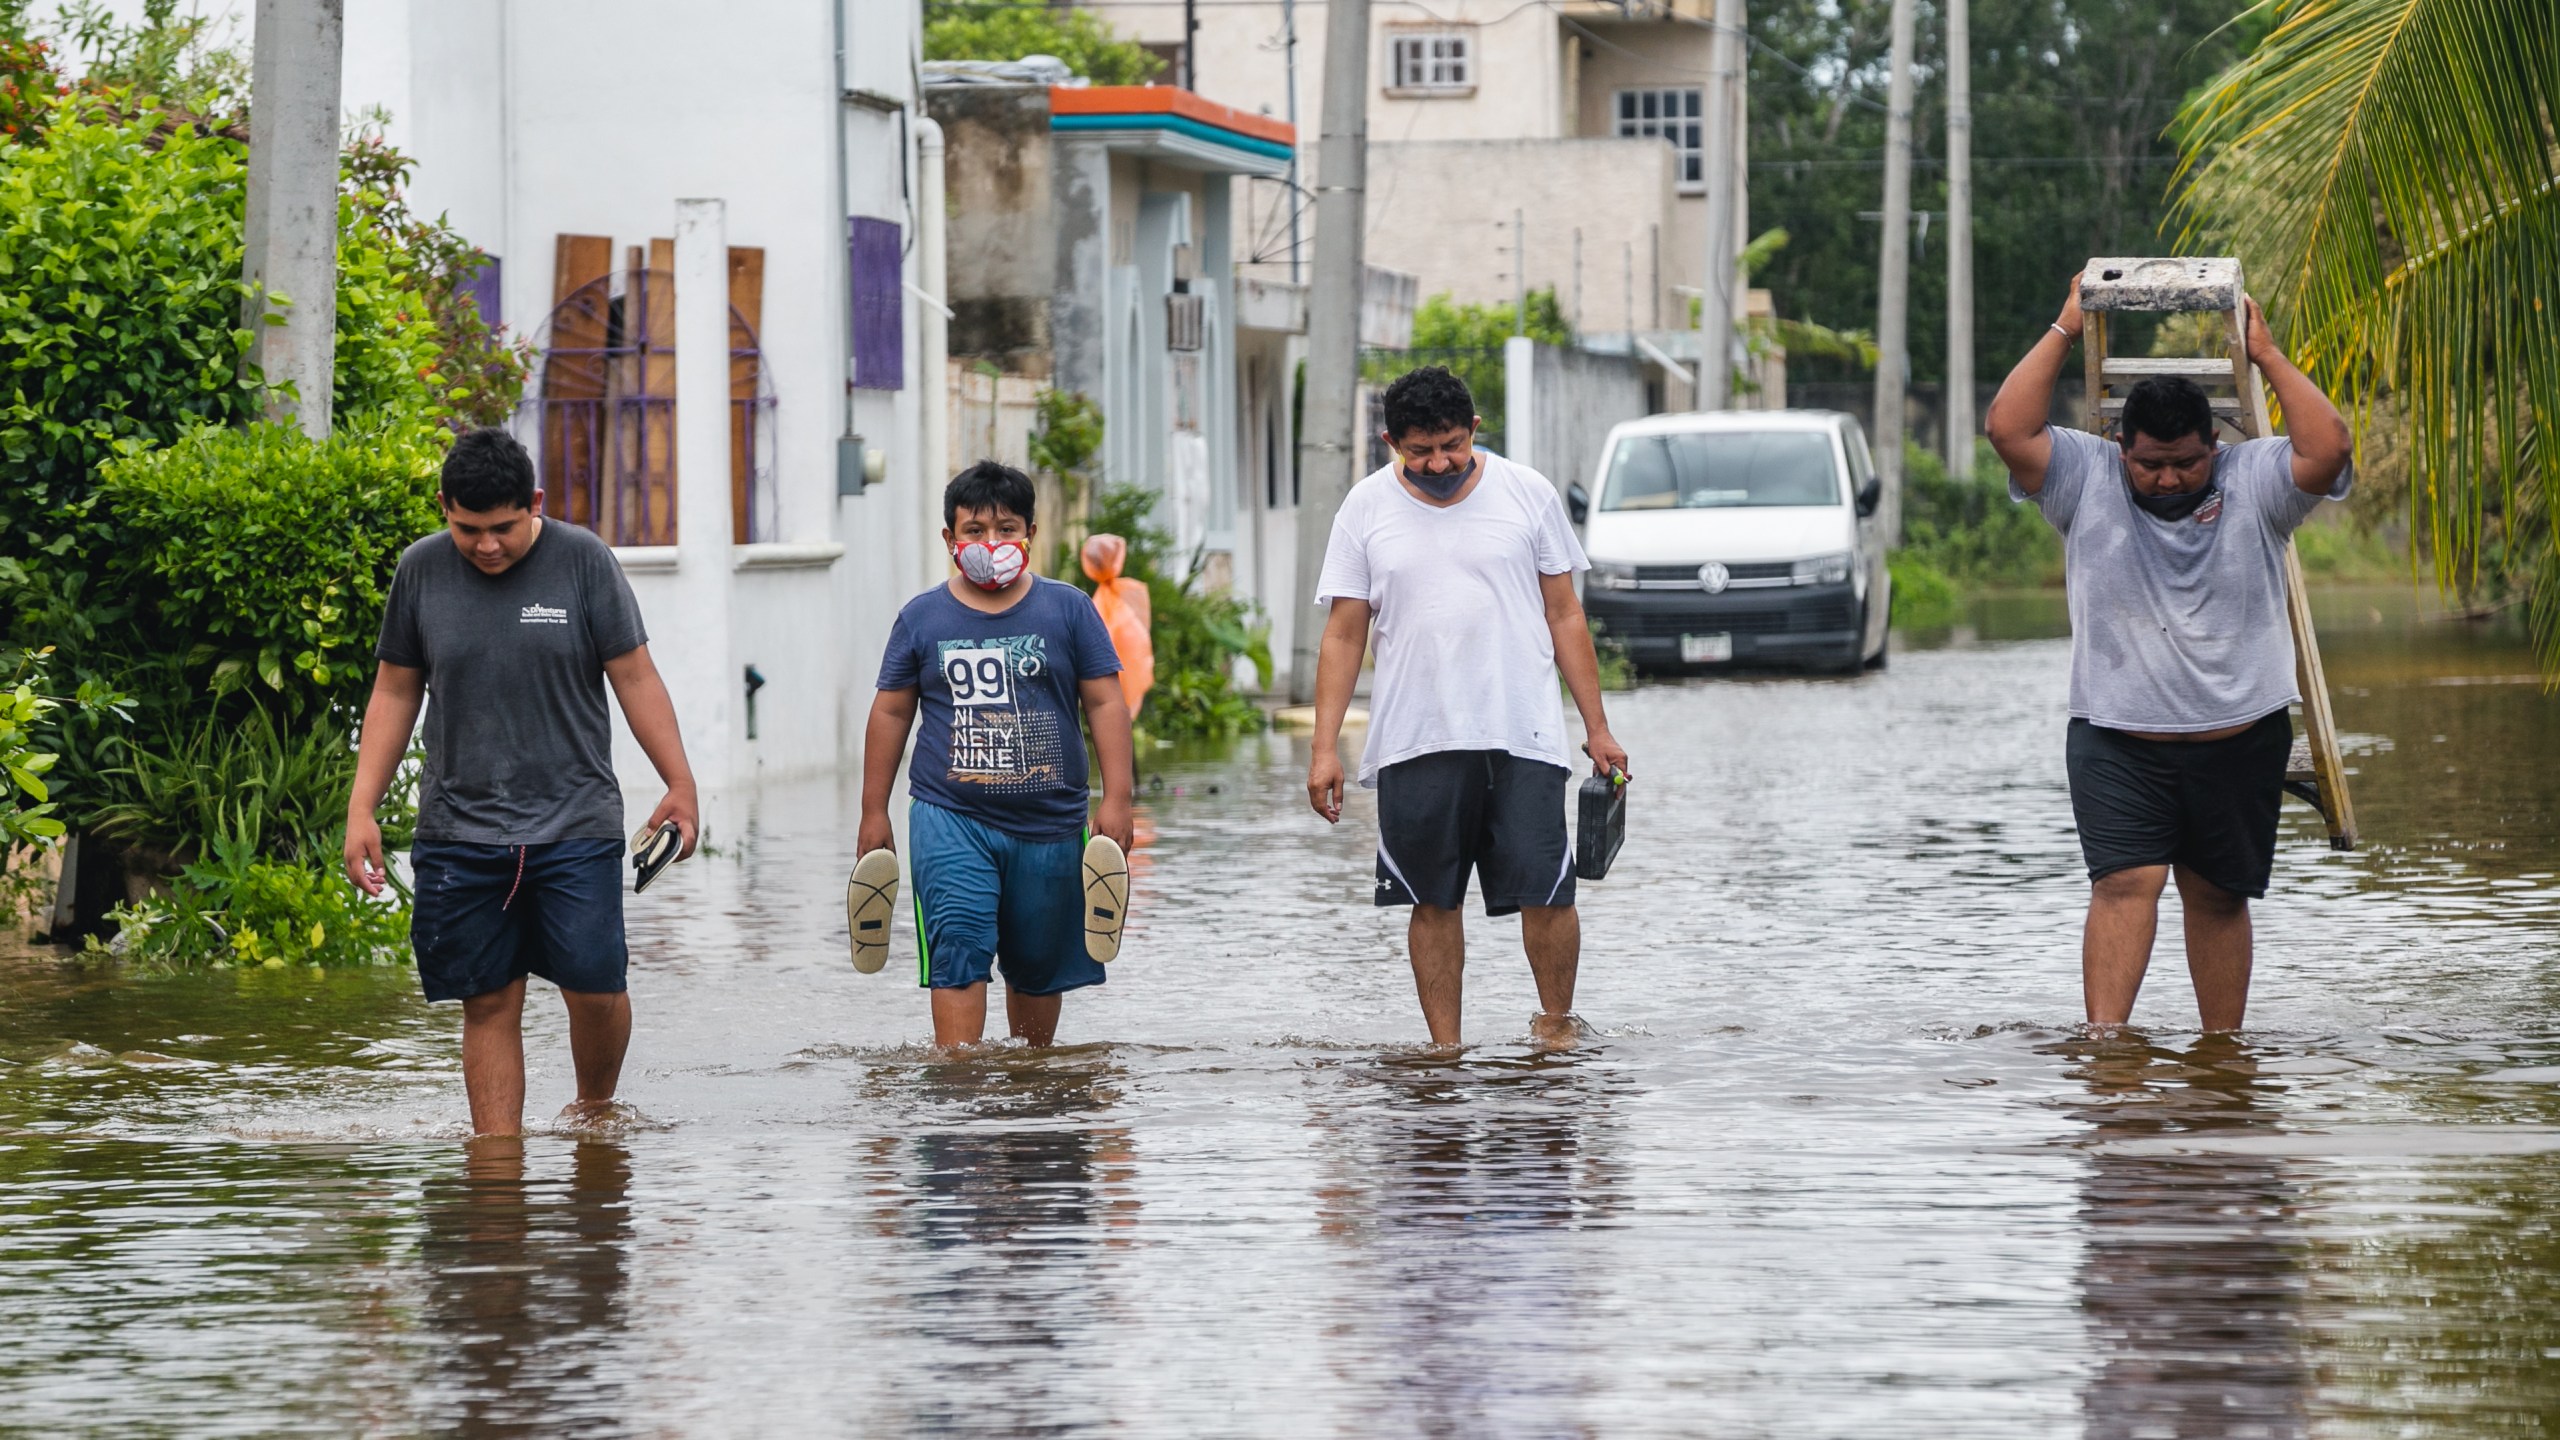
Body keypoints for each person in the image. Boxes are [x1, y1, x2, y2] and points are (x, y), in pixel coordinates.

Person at [1986, 279, 2353, 1032]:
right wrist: (2064, 325)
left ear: (2213, 447)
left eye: (2185, 463)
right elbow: (2008, 429)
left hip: (2238, 737)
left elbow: (2329, 448)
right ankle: (2105, 1055)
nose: (2166, 478)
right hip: (2118, 741)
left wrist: (2268, 357)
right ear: (2122, 445)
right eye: (2150, 463)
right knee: (2125, 884)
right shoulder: (2086, 475)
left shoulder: (2254, 481)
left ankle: (2225, 1066)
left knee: (2218, 896)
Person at [344, 427, 700, 1135]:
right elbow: (393, 694)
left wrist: (679, 783)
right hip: (458, 829)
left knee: (595, 988)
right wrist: (362, 808)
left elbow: (635, 677)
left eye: (502, 527)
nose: (486, 545)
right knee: (488, 1001)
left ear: (533, 503)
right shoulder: (420, 571)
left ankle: (594, 1115)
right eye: (467, 528)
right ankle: (496, 1164)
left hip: (576, 822)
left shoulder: (584, 563)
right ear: (444, 507)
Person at [1306, 366, 1632, 1048]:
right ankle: (1444, 1051)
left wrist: (1597, 727)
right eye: (1419, 451)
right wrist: (1323, 747)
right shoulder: (1364, 509)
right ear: (1391, 439)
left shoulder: (1527, 493)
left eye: (1451, 444)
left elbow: (1564, 613)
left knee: (1549, 891)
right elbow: (1343, 632)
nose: (1438, 463)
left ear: (1475, 428)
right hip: (1414, 736)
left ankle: (1554, 1029)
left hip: (1525, 730)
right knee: (1431, 899)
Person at [853, 460, 1137, 1048]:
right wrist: (873, 811)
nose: (991, 543)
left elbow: (1107, 703)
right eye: (975, 530)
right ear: (949, 539)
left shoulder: (1069, 609)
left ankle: (1026, 1101)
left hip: (1052, 825)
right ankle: (961, 1105)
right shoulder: (921, 617)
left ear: (1031, 532)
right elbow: (890, 713)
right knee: (957, 952)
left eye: (1007, 528)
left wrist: (1118, 798)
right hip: (949, 817)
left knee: (1037, 969)